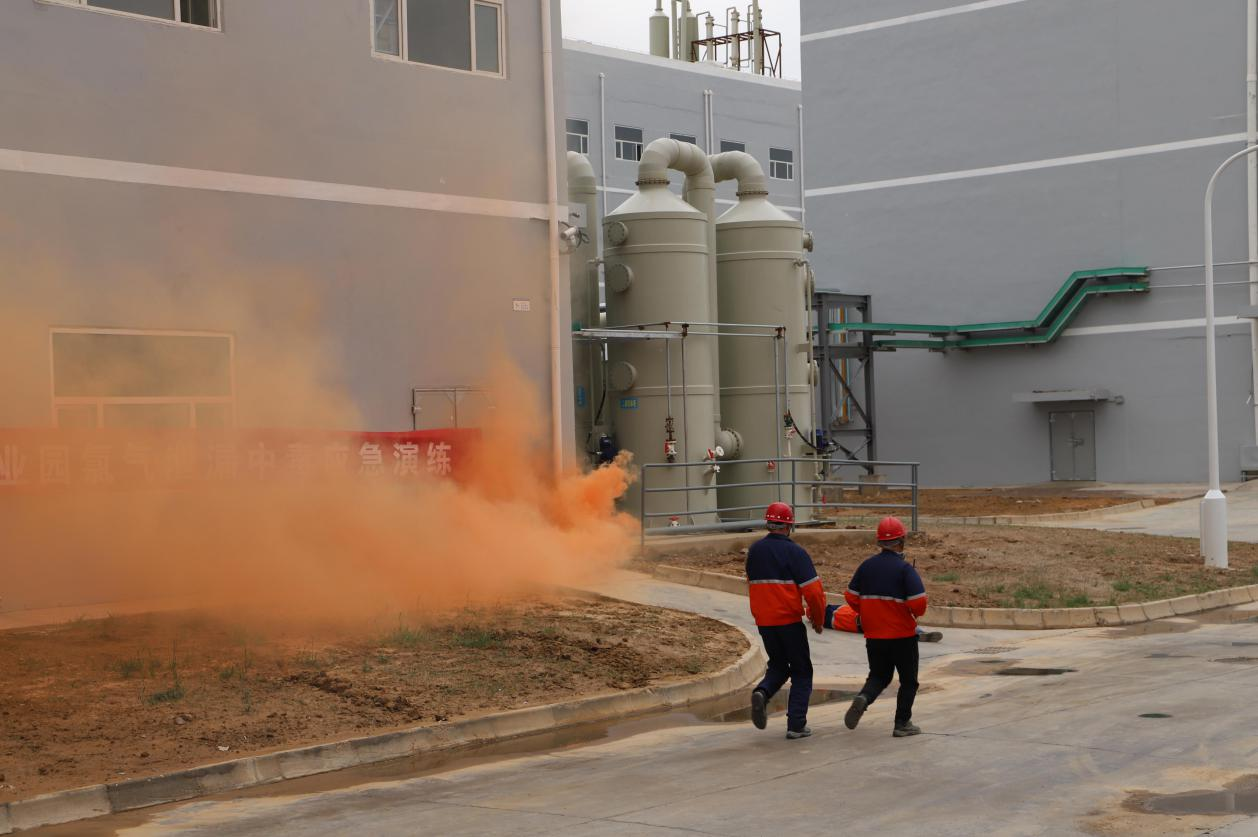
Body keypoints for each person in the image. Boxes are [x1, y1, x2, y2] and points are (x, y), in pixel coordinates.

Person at [746, 502, 827, 739]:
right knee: (802, 671)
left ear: (768, 524)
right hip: (789, 622)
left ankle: (762, 692)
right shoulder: (796, 553)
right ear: (789, 526)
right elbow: (814, 593)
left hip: (765, 622)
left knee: (779, 666)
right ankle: (796, 725)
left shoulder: (755, 551)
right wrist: (818, 619)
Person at [842, 516, 929, 738]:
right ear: (901, 541)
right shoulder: (905, 570)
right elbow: (919, 605)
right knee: (908, 681)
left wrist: (867, 611)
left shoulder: (866, 566)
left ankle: (864, 697)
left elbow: (851, 596)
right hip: (902, 636)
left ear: (879, 542)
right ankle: (902, 723)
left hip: (874, 636)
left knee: (879, 676)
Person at [824, 603, 942, 643]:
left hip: (862, 624)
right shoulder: (832, 612)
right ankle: (917, 632)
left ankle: (915, 634)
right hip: (862, 619)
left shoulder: (830, 617)